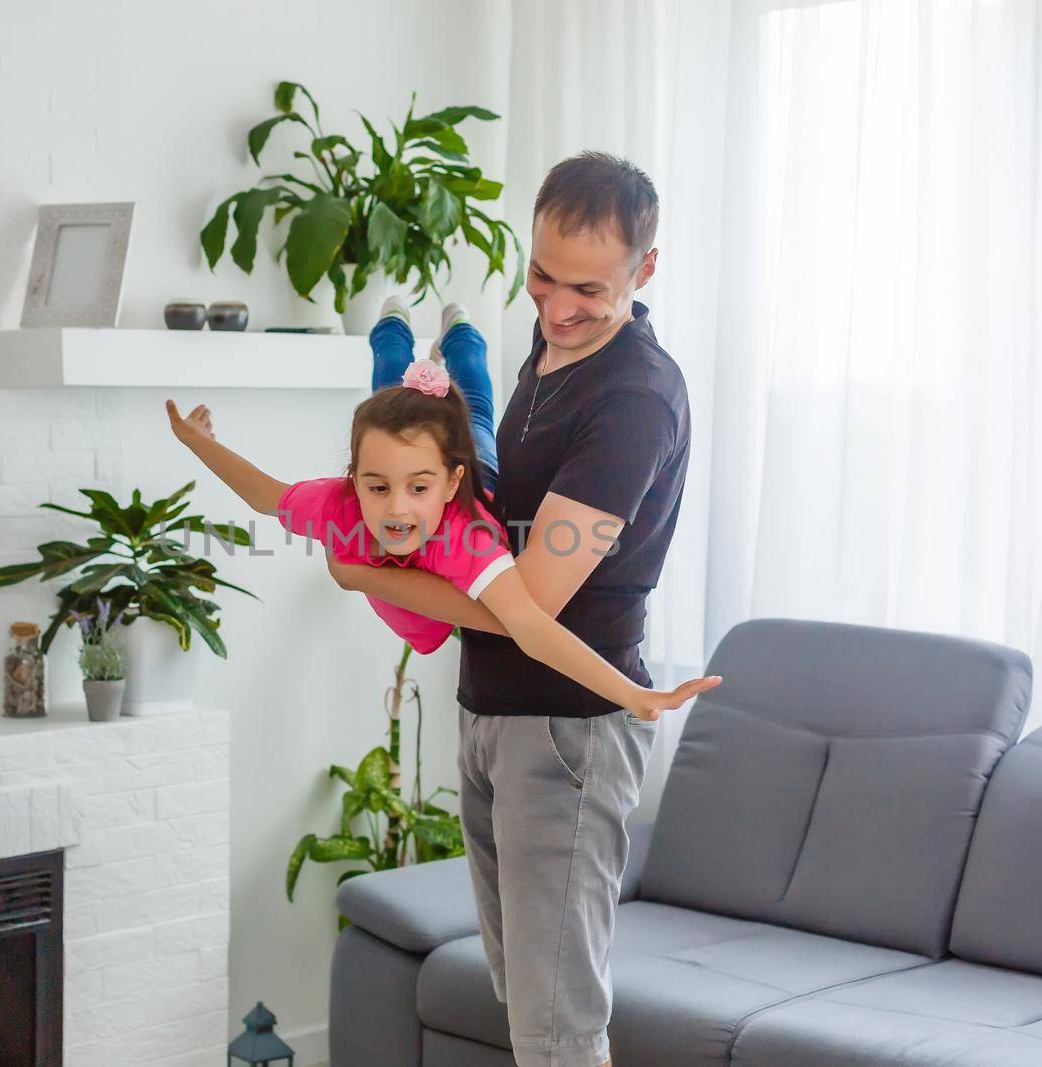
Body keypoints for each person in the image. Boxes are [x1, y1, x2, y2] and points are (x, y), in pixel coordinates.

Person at [324, 152, 690, 1067]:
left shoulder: (634, 399)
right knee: (522, 1002)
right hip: (493, 714)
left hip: (568, 733)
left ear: (644, 272)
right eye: (540, 276)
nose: (556, 307)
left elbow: (530, 599)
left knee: (557, 1030)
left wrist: (362, 573)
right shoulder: (555, 351)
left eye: (588, 290)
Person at [163, 296, 718, 725]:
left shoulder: (465, 539)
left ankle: (463, 336)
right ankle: (393, 322)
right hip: (419, 461)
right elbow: (263, 493)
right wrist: (198, 443)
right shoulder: (339, 504)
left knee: (473, 404)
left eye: (417, 489)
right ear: (353, 481)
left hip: (478, 470)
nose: (396, 509)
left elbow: (528, 623)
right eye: (376, 488)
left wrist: (634, 694)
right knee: (388, 390)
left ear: (447, 485)